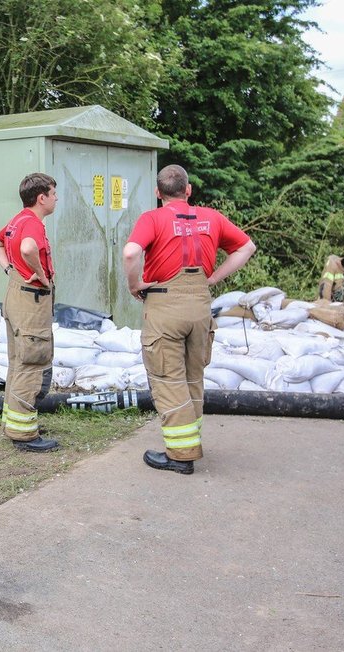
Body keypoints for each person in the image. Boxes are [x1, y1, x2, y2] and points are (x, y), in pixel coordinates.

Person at [122, 165, 256, 474]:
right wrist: (213, 278)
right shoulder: (212, 217)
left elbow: (131, 253)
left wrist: (134, 286)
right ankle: (190, 441)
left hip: (165, 305)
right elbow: (247, 246)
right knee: (193, 376)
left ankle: (180, 456)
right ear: (189, 189)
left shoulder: (152, 218)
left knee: (168, 378)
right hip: (200, 307)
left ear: (158, 193)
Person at [0, 173, 59, 452]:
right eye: (53, 193)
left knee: (17, 361)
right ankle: (24, 435)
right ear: (41, 198)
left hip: (15, 295)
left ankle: (14, 422)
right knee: (32, 361)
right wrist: (41, 276)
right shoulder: (32, 224)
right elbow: (29, 248)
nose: (56, 198)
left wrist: (9, 269)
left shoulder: (16, 221)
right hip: (31, 301)